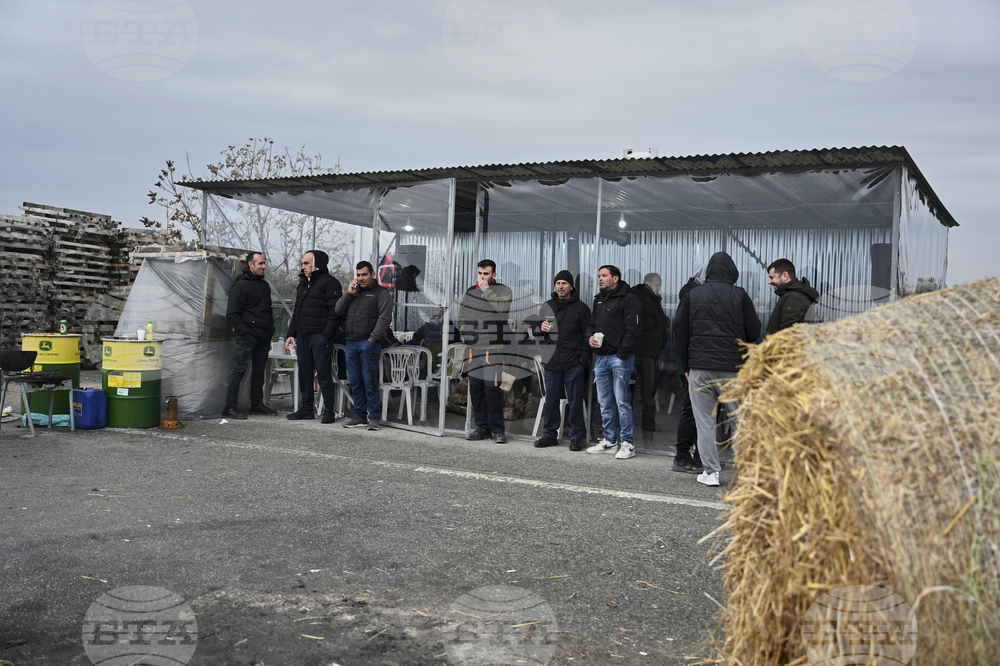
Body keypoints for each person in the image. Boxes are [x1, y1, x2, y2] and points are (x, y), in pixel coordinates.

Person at [674, 252, 761, 487]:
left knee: (704, 421)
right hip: (733, 368)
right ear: (732, 273)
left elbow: (680, 334)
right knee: (738, 420)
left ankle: (710, 472)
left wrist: (685, 365)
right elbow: (754, 331)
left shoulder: (693, 295)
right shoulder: (740, 295)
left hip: (700, 368)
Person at [529, 271, 591, 451]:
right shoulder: (547, 306)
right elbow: (537, 334)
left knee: (575, 400)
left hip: (574, 362)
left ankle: (576, 436)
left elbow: (587, 335)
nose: (561, 286)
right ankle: (549, 434)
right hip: (552, 361)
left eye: (564, 283)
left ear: (571, 286)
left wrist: (582, 361)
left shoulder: (582, 308)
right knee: (552, 399)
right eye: (558, 283)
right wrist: (540, 327)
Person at [585, 265, 642, 459]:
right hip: (600, 358)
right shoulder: (598, 300)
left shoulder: (629, 299)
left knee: (622, 402)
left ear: (615, 278)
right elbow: (591, 325)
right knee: (604, 402)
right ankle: (609, 440)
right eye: (599, 276)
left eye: (604, 275)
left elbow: (633, 330)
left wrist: (621, 354)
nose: (600, 279)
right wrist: (590, 338)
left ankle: (627, 443)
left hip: (619, 358)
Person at [285, 250, 343, 423]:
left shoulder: (330, 283)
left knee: (323, 374)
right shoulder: (303, 284)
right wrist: (291, 334)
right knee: (304, 373)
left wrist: (326, 335)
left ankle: (329, 411)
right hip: (303, 336)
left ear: (317, 264)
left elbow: (336, 312)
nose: (302, 267)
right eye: (302, 263)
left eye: (306, 263)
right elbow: (298, 310)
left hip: (319, 336)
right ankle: (307, 409)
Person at [458, 260, 513, 444]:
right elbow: (462, 314)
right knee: (476, 389)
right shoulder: (469, 291)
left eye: (486, 274)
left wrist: (486, 289)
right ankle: (482, 427)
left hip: (493, 348)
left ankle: (497, 430)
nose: (482, 277)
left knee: (492, 390)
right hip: (473, 348)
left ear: (494, 275)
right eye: (480, 273)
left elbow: (502, 309)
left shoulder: (504, 290)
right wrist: (465, 333)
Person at [335, 261, 393, 431]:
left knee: (370, 381)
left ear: (372, 274)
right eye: (358, 275)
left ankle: (374, 417)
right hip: (351, 343)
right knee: (355, 381)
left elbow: (384, 318)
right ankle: (359, 416)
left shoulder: (381, 293)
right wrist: (348, 293)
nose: (360, 278)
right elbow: (338, 310)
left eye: (364, 274)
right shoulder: (354, 292)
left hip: (368, 344)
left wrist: (372, 340)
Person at [223, 252, 276, 420]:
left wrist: (270, 330)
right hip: (248, 336)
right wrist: (245, 333)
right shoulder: (241, 285)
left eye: (264, 263)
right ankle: (230, 407)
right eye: (260, 263)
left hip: (263, 336)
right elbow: (232, 314)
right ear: (250, 265)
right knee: (239, 370)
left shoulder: (264, 286)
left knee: (259, 371)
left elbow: (268, 310)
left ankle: (257, 405)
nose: (263, 266)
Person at [671, 263, 707, 474]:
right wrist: (685, 365)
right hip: (691, 365)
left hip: (693, 362)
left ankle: (700, 457)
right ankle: (682, 456)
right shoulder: (691, 296)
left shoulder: (693, 294)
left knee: (700, 412)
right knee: (691, 411)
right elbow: (680, 332)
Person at [629, 273, 669, 433]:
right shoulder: (638, 297)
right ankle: (643, 420)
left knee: (648, 386)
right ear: (649, 283)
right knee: (645, 387)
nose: (659, 288)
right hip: (641, 350)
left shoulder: (651, 298)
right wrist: (658, 322)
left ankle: (647, 420)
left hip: (650, 350)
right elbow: (635, 321)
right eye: (657, 285)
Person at [765, 258, 820, 336]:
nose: (769, 282)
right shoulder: (791, 295)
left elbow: (787, 335)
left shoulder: (794, 298)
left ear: (785, 276)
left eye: (772, 277)